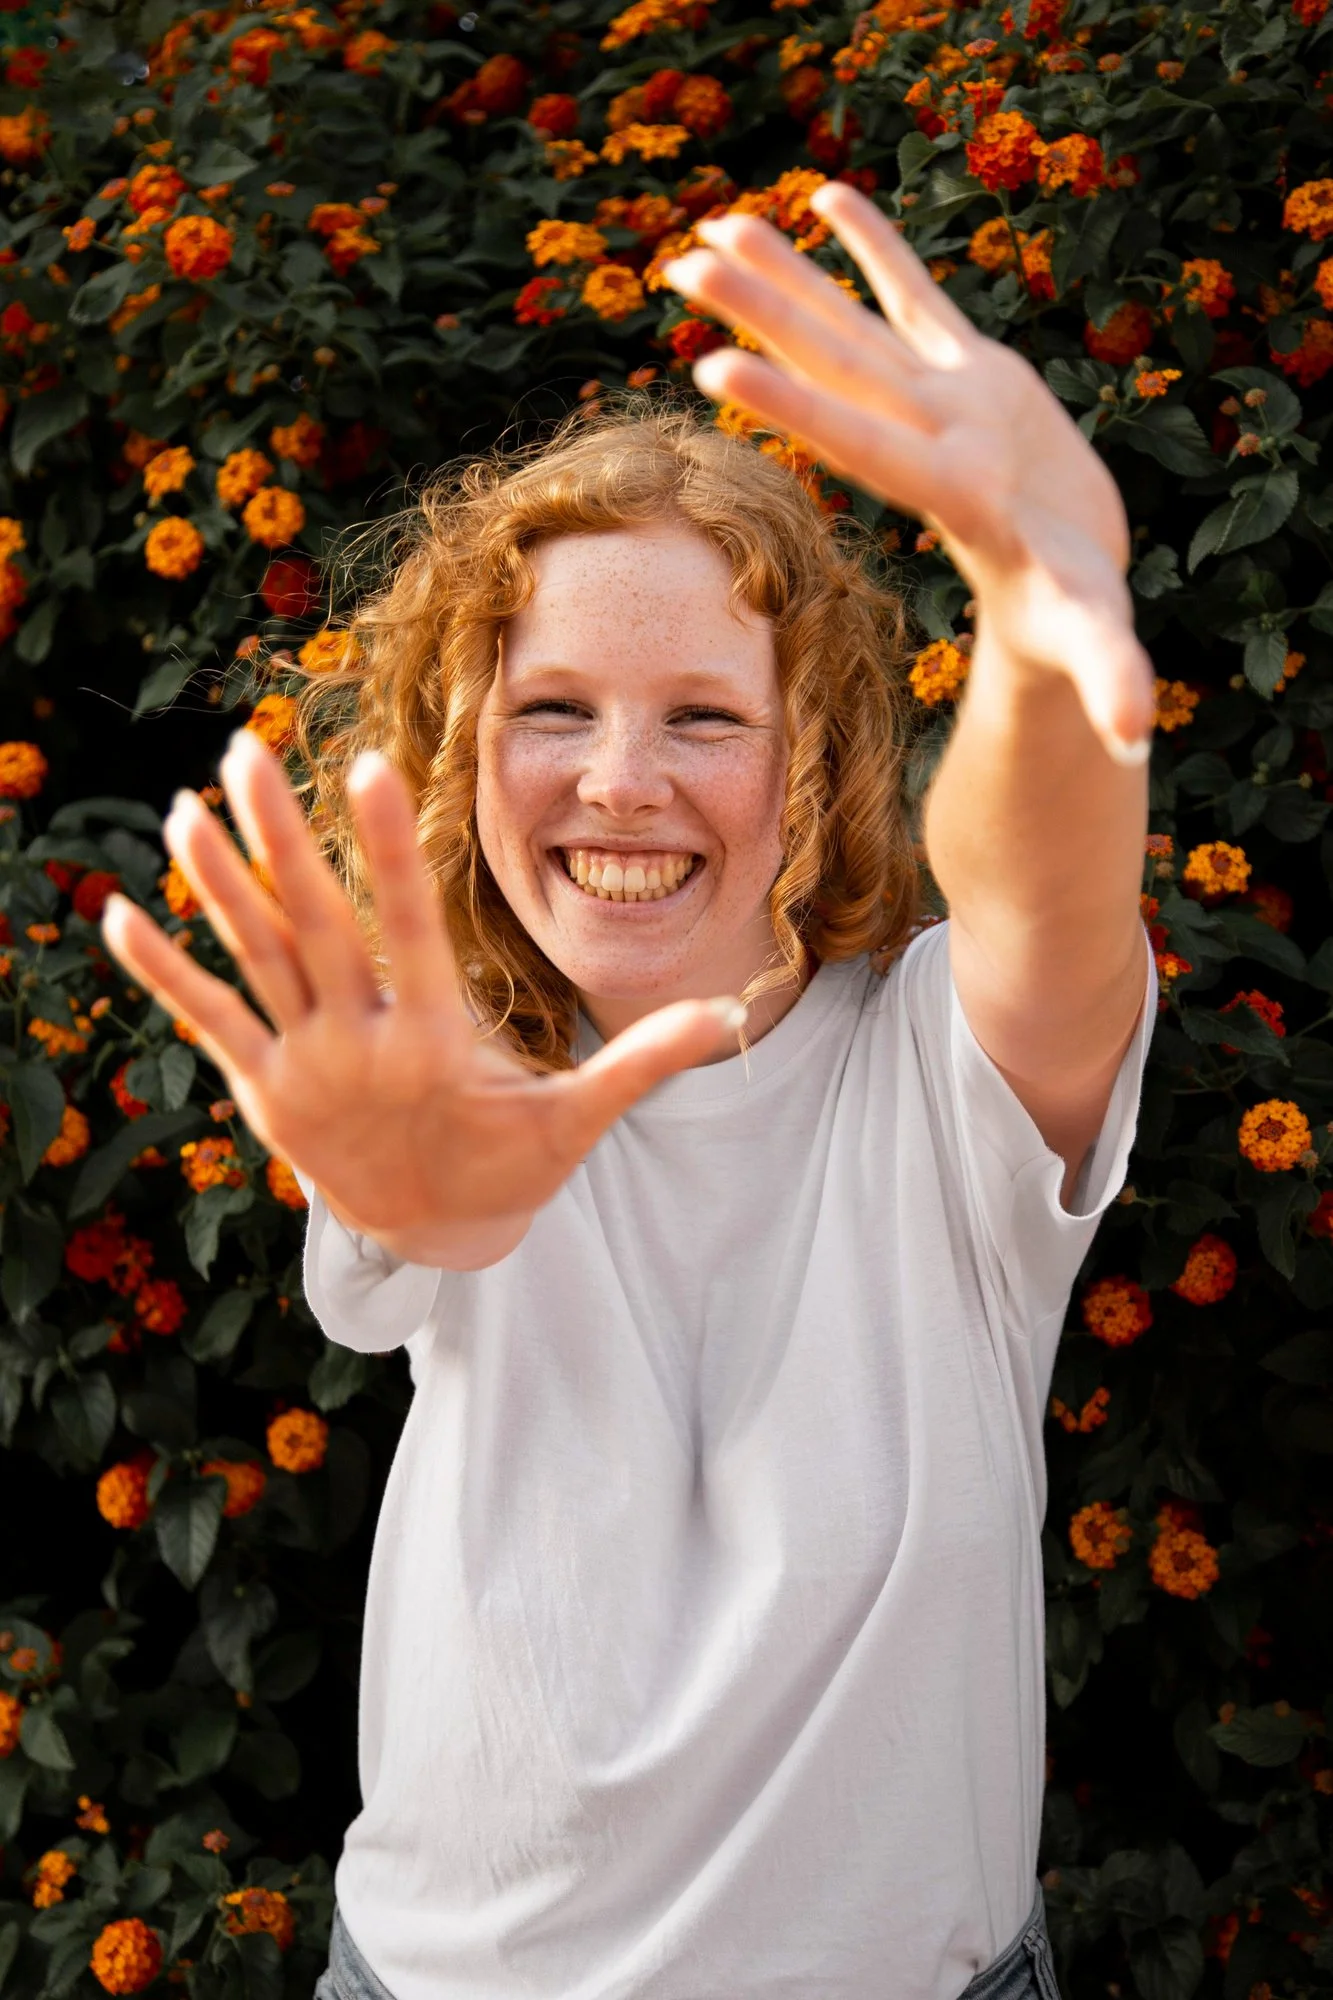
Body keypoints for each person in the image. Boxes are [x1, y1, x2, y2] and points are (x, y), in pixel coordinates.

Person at [102, 182, 1158, 2000]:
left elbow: (1036, 881)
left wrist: (1047, 615)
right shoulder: (437, 1067)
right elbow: (421, 1208)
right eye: (552, 710)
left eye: (705, 717)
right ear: (460, 745)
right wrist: (421, 1202)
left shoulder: (938, 1072)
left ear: (814, 758)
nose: (619, 781)